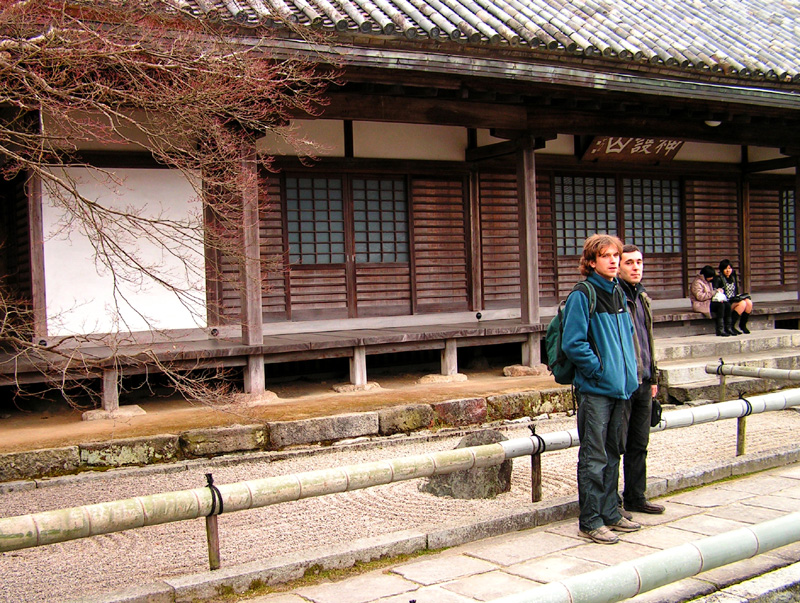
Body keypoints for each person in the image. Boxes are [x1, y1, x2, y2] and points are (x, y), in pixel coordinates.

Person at [561, 234, 641, 544]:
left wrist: (629, 375)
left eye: (615, 256)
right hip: (596, 390)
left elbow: (629, 337)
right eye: (605, 256)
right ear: (591, 262)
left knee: (613, 452)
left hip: (620, 389)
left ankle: (610, 511)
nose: (613, 261)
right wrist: (599, 371)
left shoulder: (619, 291)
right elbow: (574, 342)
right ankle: (590, 519)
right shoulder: (584, 294)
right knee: (594, 456)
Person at [617, 245, 665, 515]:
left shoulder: (643, 296)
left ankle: (636, 495)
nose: (636, 267)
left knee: (639, 443)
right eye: (630, 263)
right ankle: (613, 502)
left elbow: (648, 340)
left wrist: (653, 375)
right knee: (617, 444)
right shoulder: (616, 296)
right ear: (619, 266)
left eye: (639, 262)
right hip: (624, 381)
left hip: (644, 379)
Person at [690, 265, 734, 336]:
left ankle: (728, 327)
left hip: (709, 301)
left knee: (727, 304)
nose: (712, 278)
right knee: (721, 305)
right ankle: (720, 329)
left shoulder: (708, 281)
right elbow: (700, 297)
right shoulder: (697, 283)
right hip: (700, 304)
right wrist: (714, 292)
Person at [716, 259, 753, 334]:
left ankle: (743, 325)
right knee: (742, 303)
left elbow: (736, 290)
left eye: (729, 268)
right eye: (726, 268)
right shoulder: (719, 278)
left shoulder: (733, 277)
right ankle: (730, 326)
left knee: (748, 302)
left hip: (734, 299)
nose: (728, 270)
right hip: (726, 302)